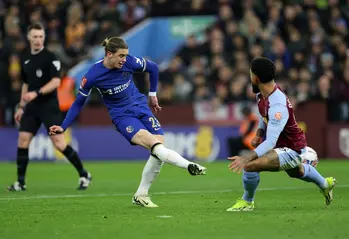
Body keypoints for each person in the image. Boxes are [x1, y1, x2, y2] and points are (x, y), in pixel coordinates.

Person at [49, 36, 207, 208]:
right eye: (121, 56)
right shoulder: (93, 75)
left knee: (158, 152)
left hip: (141, 107)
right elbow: (78, 102)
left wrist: (152, 95)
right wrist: (63, 126)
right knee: (155, 145)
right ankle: (189, 165)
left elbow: (153, 68)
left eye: (126, 55)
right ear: (109, 54)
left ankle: (141, 195)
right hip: (122, 116)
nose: (125, 60)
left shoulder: (129, 62)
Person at [226, 57, 336, 212]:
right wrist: (258, 133)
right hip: (284, 146)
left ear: (256, 78)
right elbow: (263, 116)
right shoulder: (262, 94)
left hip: (291, 148)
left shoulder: (277, 104)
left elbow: (270, 142)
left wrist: (246, 157)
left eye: (251, 74)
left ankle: (247, 202)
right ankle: (326, 184)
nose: (250, 77)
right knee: (298, 172)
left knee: (250, 166)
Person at [7, 22, 91, 192]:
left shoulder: (51, 57)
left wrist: (36, 93)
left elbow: (55, 82)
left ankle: (84, 174)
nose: (38, 40)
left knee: (59, 143)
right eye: (35, 36)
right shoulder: (24, 57)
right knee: (23, 140)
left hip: (48, 106)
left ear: (44, 38)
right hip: (31, 107)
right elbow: (26, 83)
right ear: (29, 38)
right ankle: (20, 183)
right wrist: (21, 107)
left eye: (41, 36)